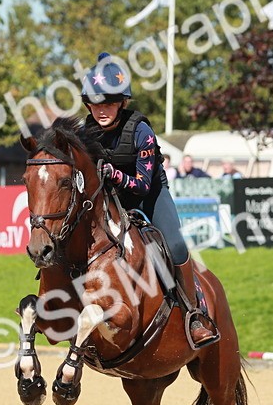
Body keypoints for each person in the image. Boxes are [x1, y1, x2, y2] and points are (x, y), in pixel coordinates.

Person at [79, 52, 217, 347]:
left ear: (122, 102)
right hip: (110, 202)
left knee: (176, 245)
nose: (101, 110)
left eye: (109, 102)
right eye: (95, 103)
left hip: (148, 196)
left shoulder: (142, 131)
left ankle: (194, 315)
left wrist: (112, 173)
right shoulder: (85, 131)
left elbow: (141, 186)